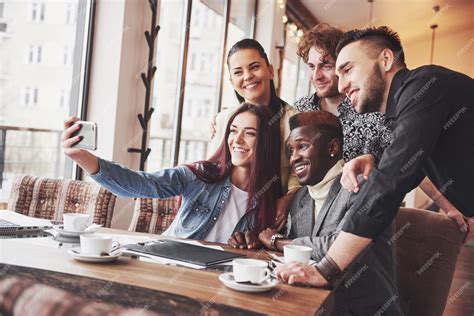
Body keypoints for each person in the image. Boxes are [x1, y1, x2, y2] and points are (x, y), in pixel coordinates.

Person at [276, 26, 474, 287]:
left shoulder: (424, 85)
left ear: (386, 59)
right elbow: (407, 168)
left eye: (347, 69)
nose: (343, 84)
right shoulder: (401, 114)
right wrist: (378, 162)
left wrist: (325, 270)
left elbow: (389, 184)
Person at [61, 104, 282, 243]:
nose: (238, 140)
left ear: (265, 143)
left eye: (250, 133)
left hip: (220, 282)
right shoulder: (203, 175)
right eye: (233, 131)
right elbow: (142, 184)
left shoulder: (270, 199)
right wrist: (83, 157)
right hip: (171, 265)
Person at [259, 111, 401, 315]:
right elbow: (296, 257)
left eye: (303, 146)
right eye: (291, 150)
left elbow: (335, 246)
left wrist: (276, 241)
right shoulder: (301, 199)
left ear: (333, 147)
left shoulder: (360, 185)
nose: (293, 158)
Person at [209, 38, 299, 195]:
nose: (247, 76)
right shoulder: (223, 120)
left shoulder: (293, 121)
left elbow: (296, 174)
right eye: (238, 72)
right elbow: (214, 168)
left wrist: (287, 200)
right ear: (232, 82)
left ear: (270, 71)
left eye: (254, 67)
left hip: (273, 210)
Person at [294, 23, 393, 163]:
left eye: (326, 66)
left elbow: (395, 166)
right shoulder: (299, 109)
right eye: (311, 66)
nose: (316, 75)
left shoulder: (371, 112)